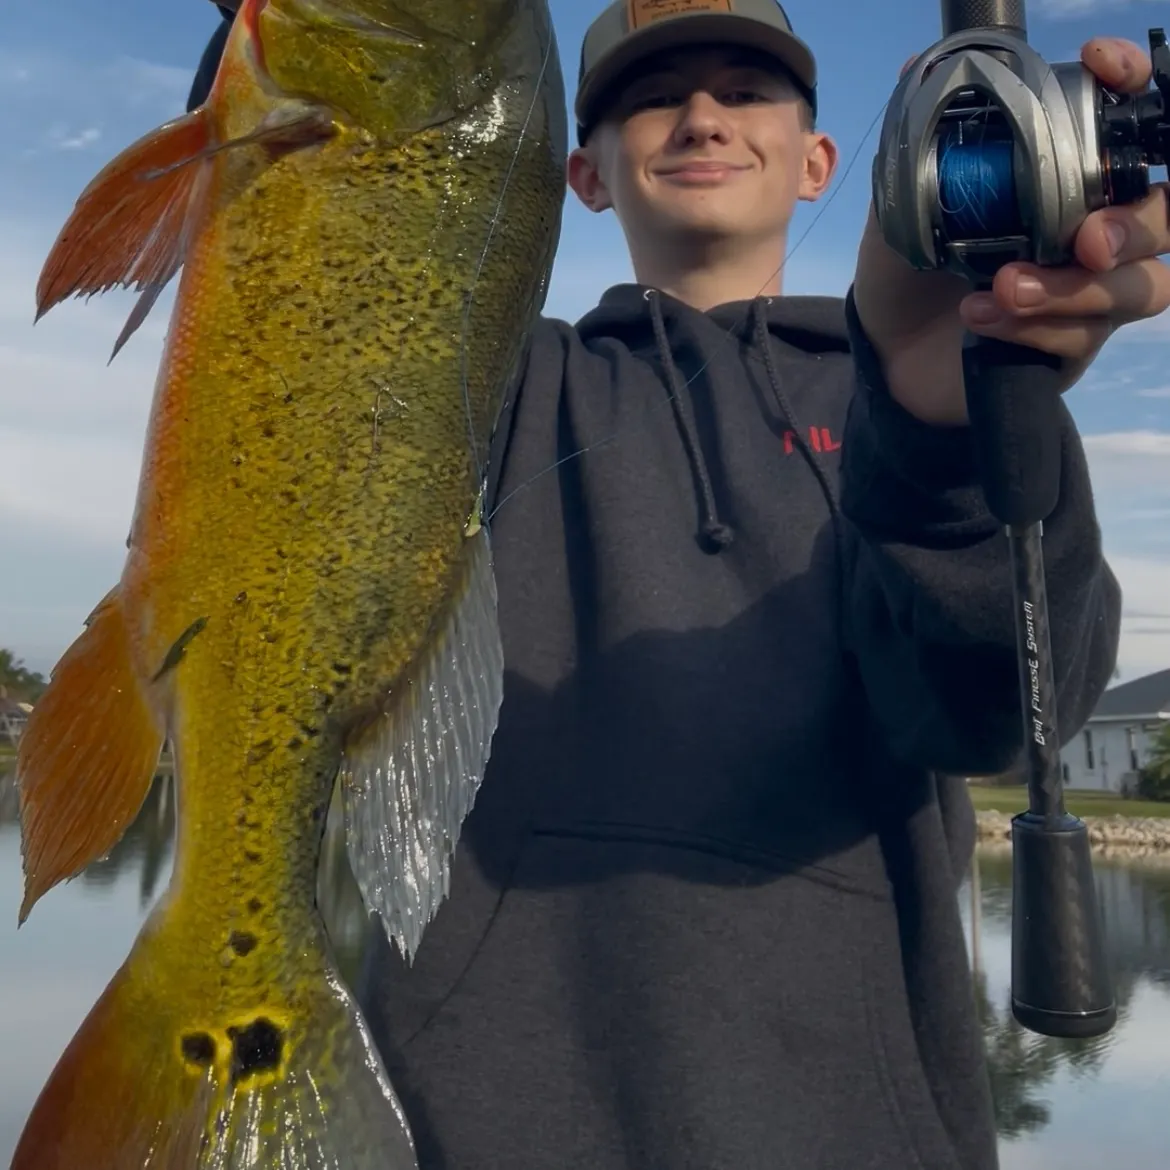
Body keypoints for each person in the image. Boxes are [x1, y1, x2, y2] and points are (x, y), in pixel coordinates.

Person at [178, 3, 1169, 1168]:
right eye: (654, 95)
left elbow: (982, 717)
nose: (702, 115)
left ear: (821, 164)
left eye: (747, 88)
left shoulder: (932, 406)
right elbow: (301, 257)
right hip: (464, 1126)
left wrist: (946, 420)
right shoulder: (484, 381)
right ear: (581, 174)